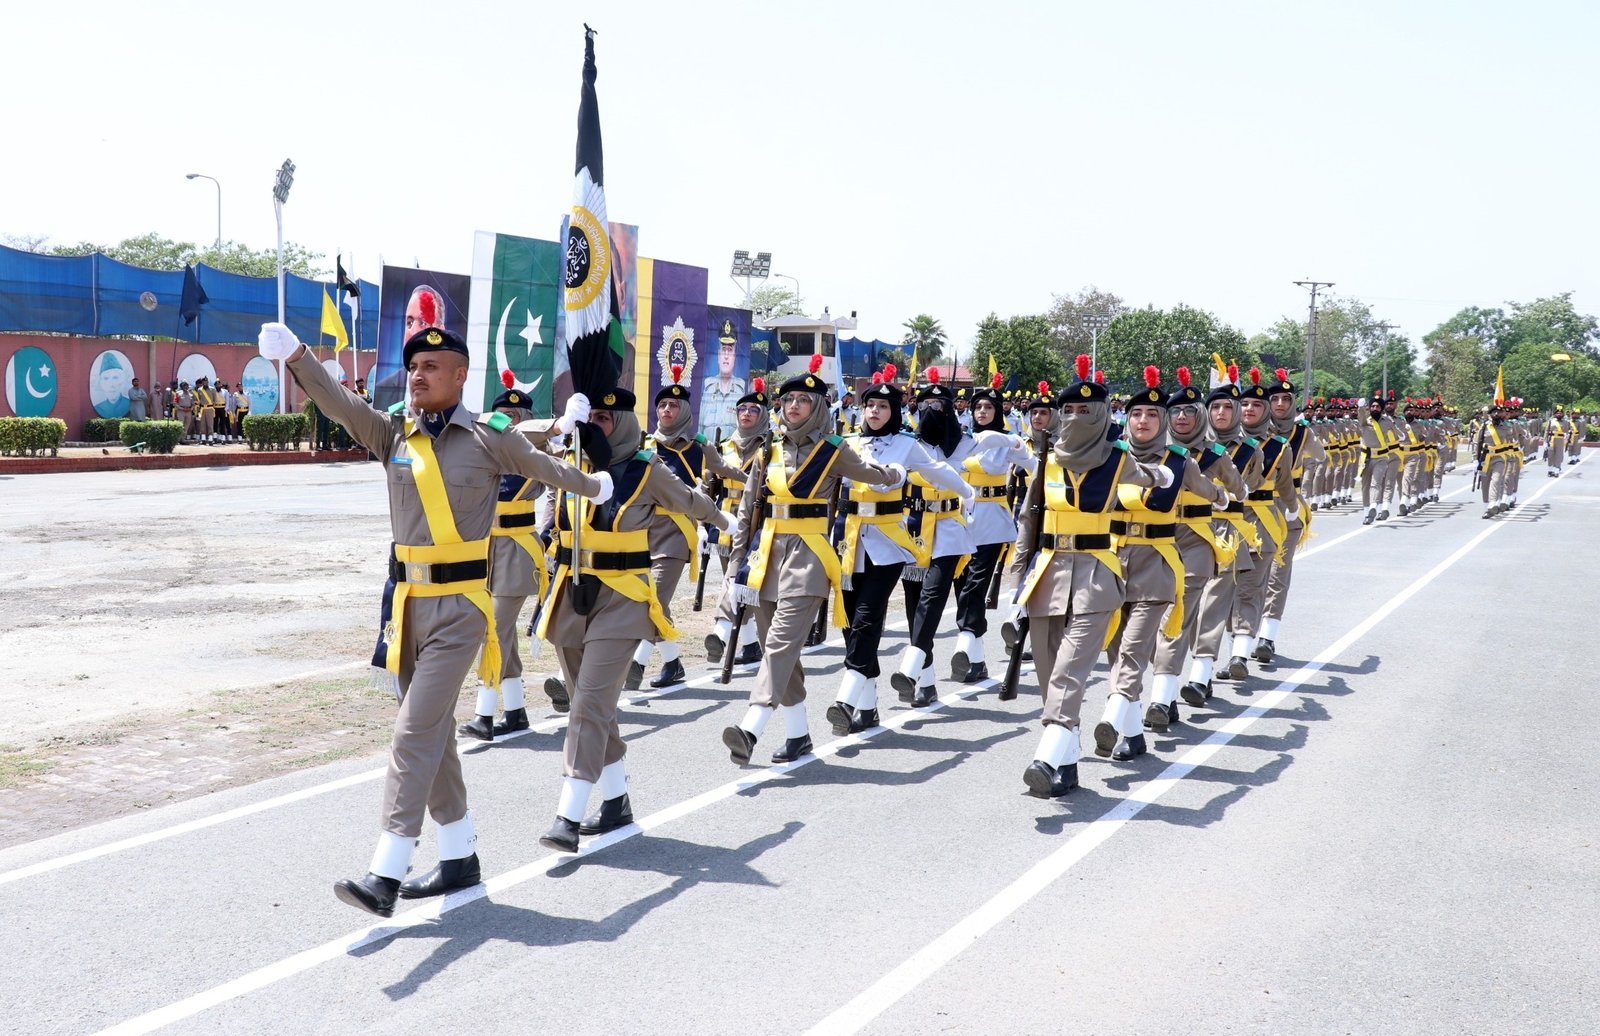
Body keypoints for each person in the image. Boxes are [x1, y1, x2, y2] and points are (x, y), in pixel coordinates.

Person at [258, 319, 606, 918]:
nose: (418, 375)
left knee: (413, 732)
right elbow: (339, 403)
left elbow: (544, 466)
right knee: (436, 735)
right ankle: (458, 856)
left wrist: (593, 485)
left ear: (460, 375)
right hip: (405, 608)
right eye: (414, 367)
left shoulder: (490, 436)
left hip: (461, 609)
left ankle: (386, 871)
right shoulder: (393, 432)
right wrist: (297, 357)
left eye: (432, 367)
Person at [533, 384, 730, 852]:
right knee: (589, 703)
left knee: (588, 705)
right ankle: (616, 800)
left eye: (603, 418)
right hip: (571, 594)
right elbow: (512, 444)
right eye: (590, 418)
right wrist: (558, 424)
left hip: (622, 599)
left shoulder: (646, 469)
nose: (594, 426)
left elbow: (690, 500)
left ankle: (567, 815)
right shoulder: (571, 461)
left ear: (622, 422)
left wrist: (725, 523)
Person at [720, 353, 902, 766]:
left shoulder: (833, 450)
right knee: (778, 649)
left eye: (804, 400)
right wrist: (733, 570)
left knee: (780, 644)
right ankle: (798, 734)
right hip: (766, 558)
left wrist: (895, 474)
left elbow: (871, 474)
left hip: (810, 558)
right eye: (789, 399)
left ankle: (751, 726)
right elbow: (748, 514)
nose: (795, 405)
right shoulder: (768, 450)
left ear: (818, 406)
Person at [1011, 355, 1176, 798]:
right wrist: (1016, 580)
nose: (1076, 417)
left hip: (1097, 577)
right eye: (1069, 410)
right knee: (1049, 671)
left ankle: (1046, 757)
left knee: (1069, 668)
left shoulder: (1117, 459)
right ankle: (1067, 761)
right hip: (1047, 575)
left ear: (1103, 414)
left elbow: (1152, 476)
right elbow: (1029, 520)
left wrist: (1163, 474)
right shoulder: (1047, 459)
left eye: (1086, 410)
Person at [1095, 366, 1230, 760]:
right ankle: (1134, 733)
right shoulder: (1108, 458)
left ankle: (1112, 717)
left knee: (1135, 647)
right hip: (1112, 561)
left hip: (1156, 563)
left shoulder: (1178, 460)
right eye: (1136, 414)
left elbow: (1209, 491)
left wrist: (1222, 499)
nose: (1143, 421)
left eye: (1152, 415)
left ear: (1162, 421)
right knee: (1115, 646)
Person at [827, 365, 968, 734]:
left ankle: (846, 699)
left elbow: (938, 471)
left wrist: (967, 493)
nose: (875, 411)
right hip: (848, 541)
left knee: (867, 618)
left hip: (888, 543)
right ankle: (868, 704)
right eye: (870, 405)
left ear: (895, 411)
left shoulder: (907, 445)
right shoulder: (846, 443)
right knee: (850, 622)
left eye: (883, 406)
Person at [458, 371, 568, 742]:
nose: (508, 422)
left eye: (515, 416)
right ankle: (517, 711)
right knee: (503, 634)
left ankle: (484, 714)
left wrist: (555, 428)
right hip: (484, 551)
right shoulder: (485, 451)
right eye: (502, 414)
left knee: (492, 630)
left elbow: (532, 442)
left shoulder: (534, 456)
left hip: (518, 551)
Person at [626, 365, 745, 690]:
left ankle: (636, 662)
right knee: (651, 599)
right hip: (643, 532)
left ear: (685, 411)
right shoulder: (644, 445)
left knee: (653, 598)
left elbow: (724, 469)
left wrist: (754, 480)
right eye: (662, 405)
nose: (666, 410)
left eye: (673, 405)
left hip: (678, 532)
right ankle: (673, 662)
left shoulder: (699, 447)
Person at [890, 369, 978, 708]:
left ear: (950, 409)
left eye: (939, 405)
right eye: (926, 404)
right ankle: (925, 681)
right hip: (914, 528)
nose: (932, 411)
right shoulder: (908, 445)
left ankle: (911, 664)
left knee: (934, 595)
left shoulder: (967, 442)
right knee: (914, 603)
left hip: (951, 529)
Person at [948, 371, 1033, 685]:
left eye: (988, 408)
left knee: (976, 584)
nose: (982, 412)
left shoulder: (1007, 440)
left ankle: (965, 638)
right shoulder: (962, 438)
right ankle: (977, 657)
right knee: (963, 585)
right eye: (978, 407)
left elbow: (1032, 468)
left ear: (998, 412)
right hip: (962, 516)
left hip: (992, 519)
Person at [705, 377, 773, 669]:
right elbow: (710, 486)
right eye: (742, 409)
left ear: (763, 415)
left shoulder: (770, 448)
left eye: (753, 410)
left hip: (757, 523)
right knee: (735, 582)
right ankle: (750, 644)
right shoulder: (724, 446)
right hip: (726, 524)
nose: (746, 414)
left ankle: (721, 632)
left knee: (739, 580)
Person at [699, 319, 747, 442]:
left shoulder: (743, 392)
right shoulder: (706, 389)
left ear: (735, 356)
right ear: (718, 355)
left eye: (730, 350)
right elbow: (699, 430)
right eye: (723, 350)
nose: (726, 356)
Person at [91, 352, 131, 418]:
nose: (111, 385)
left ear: (122, 381)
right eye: (106, 378)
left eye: (115, 378)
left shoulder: (129, 404)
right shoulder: (99, 407)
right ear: (101, 384)